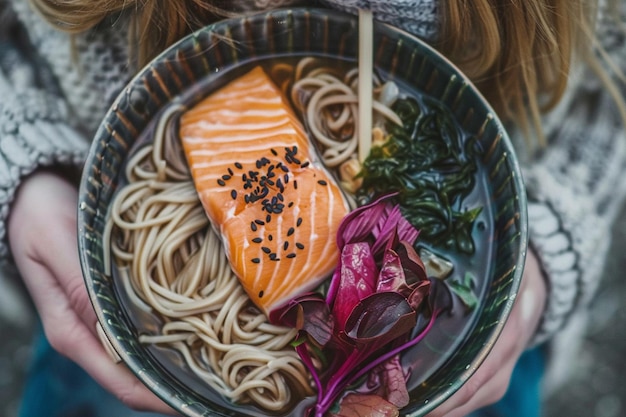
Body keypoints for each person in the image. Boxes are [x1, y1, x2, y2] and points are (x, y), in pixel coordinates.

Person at [0, 0, 624, 416]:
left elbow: (610, 69)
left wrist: (546, 251)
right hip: (110, 347)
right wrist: (24, 166)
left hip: (488, 356)